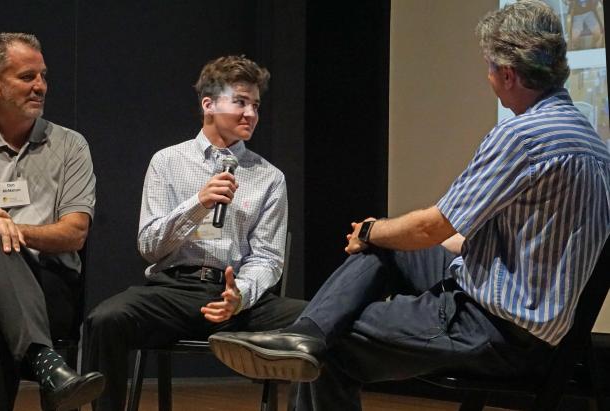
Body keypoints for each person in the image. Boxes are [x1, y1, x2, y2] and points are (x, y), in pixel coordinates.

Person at [208, 2, 610, 410]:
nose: (488, 77)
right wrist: (384, 237)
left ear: (508, 74)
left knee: (334, 345)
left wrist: (369, 230)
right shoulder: (591, 140)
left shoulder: (523, 136)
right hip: (531, 320)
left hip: (494, 327)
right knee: (384, 253)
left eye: (489, 68)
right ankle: (307, 331)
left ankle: (311, 337)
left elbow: (432, 228)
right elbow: (485, 241)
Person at [84, 55, 307, 410]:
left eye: (255, 105)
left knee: (322, 317)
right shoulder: (167, 162)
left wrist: (241, 295)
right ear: (209, 104)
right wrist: (198, 203)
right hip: (176, 290)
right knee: (105, 320)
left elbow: (268, 257)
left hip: (236, 296)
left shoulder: (269, 177)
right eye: (240, 102)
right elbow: (149, 245)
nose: (250, 113)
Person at [0, 32, 104, 411]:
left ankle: (45, 363)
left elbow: (76, 232)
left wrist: (12, 228)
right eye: (27, 77)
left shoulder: (70, 146)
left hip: (49, 286)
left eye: (43, 76)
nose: (40, 86)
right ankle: (50, 367)